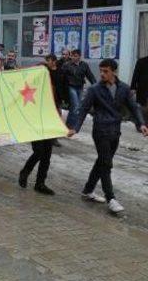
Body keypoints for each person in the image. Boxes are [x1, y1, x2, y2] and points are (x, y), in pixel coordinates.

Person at [68, 59, 148, 214]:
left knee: (101, 162)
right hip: (100, 131)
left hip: (115, 132)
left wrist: (141, 124)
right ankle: (111, 198)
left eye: (106, 71)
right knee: (106, 163)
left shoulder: (124, 88)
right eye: (101, 71)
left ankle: (88, 190)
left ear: (114, 72)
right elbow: (83, 109)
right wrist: (75, 128)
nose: (102, 74)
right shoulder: (94, 90)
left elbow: (133, 108)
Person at [18, 54, 63, 196]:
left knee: (47, 155)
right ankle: (25, 172)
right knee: (39, 151)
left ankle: (40, 183)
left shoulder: (52, 86)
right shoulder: (30, 88)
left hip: (48, 122)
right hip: (35, 123)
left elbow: (56, 103)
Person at [63, 49, 96, 128]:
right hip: (71, 87)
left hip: (80, 87)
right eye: (72, 56)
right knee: (76, 105)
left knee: (75, 107)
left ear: (79, 57)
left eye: (75, 56)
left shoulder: (84, 65)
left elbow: (90, 76)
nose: (73, 58)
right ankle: (71, 126)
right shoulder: (67, 65)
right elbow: (61, 76)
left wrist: (96, 85)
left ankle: (69, 124)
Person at [131, 55, 148, 119]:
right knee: (142, 109)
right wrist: (133, 87)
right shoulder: (141, 61)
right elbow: (135, 75)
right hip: (143, 89)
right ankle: (142, 124)